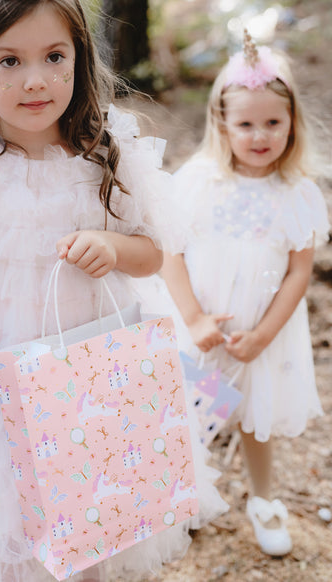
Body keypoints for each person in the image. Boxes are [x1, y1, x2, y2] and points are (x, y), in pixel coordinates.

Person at [0, 1, 227, 581]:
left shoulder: (105, 152)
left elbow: (154, 252)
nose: (35, 80)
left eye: (54, 56)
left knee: (90, 521)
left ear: (79, 58)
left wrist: (113, 248)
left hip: (95, 388)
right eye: (9, 60)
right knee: (5, 533)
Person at [161, 31, 330, 557]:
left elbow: (299, 273)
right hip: (204, 328)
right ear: (222, 124)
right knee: (192, 414)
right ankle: (183, 501)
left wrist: (261, 335)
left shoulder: (298, 191)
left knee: (257, 420)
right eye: (247, 124)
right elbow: (171, 253)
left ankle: (263, 501)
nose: (261, 135)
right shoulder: (199, 181)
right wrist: (194, 319)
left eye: (273, 123)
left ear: (292, 123)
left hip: (264, 331)